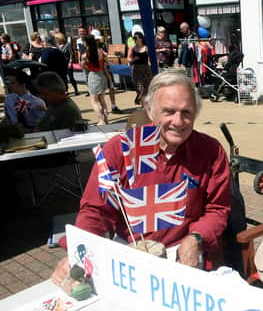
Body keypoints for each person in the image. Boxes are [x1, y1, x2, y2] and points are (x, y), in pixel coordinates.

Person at [50, 70, 232, 284]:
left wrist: (196, 238)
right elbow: (96, 211)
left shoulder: (210, 151)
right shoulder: (120, 149)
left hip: (184, 254)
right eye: (169, 111)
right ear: (150, 110)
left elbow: (217, 209)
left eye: (186, 112)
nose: (179, 121)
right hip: (130, 253)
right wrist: (77, 252)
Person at [92, 29, 123, 115]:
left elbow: (106, 56)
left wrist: (110, 58)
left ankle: (113, 106)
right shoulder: (90, 48)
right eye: (96, 39)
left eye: (98, 39)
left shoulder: (102, 45)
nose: (97, 40)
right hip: (97, 72)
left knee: (111, 87)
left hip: (106, 70)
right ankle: (102, 110)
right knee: (99, 92)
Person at [82, 33, 109, 125]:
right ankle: (106, 119)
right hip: (102, 75)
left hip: (93, 76)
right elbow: (107, 59)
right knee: (102, 99)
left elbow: (82, 66)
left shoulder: (85, 55)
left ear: (86, 42)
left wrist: (84, 64)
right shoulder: (100, 51)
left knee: (94, 100)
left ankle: (101, 120)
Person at [128, 32, 153, 106]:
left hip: (146, 69)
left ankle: (144, 104)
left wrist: (149, 62)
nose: (135, 39)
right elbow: (128, 59)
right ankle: (143, 105)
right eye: (134, 38)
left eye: (136, 38)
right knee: (140, 88)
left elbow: (149, 57)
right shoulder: (132, 48)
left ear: (141, 38)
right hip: (136, 70)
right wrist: (133, 59)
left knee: (147, 88)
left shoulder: (146, 47)